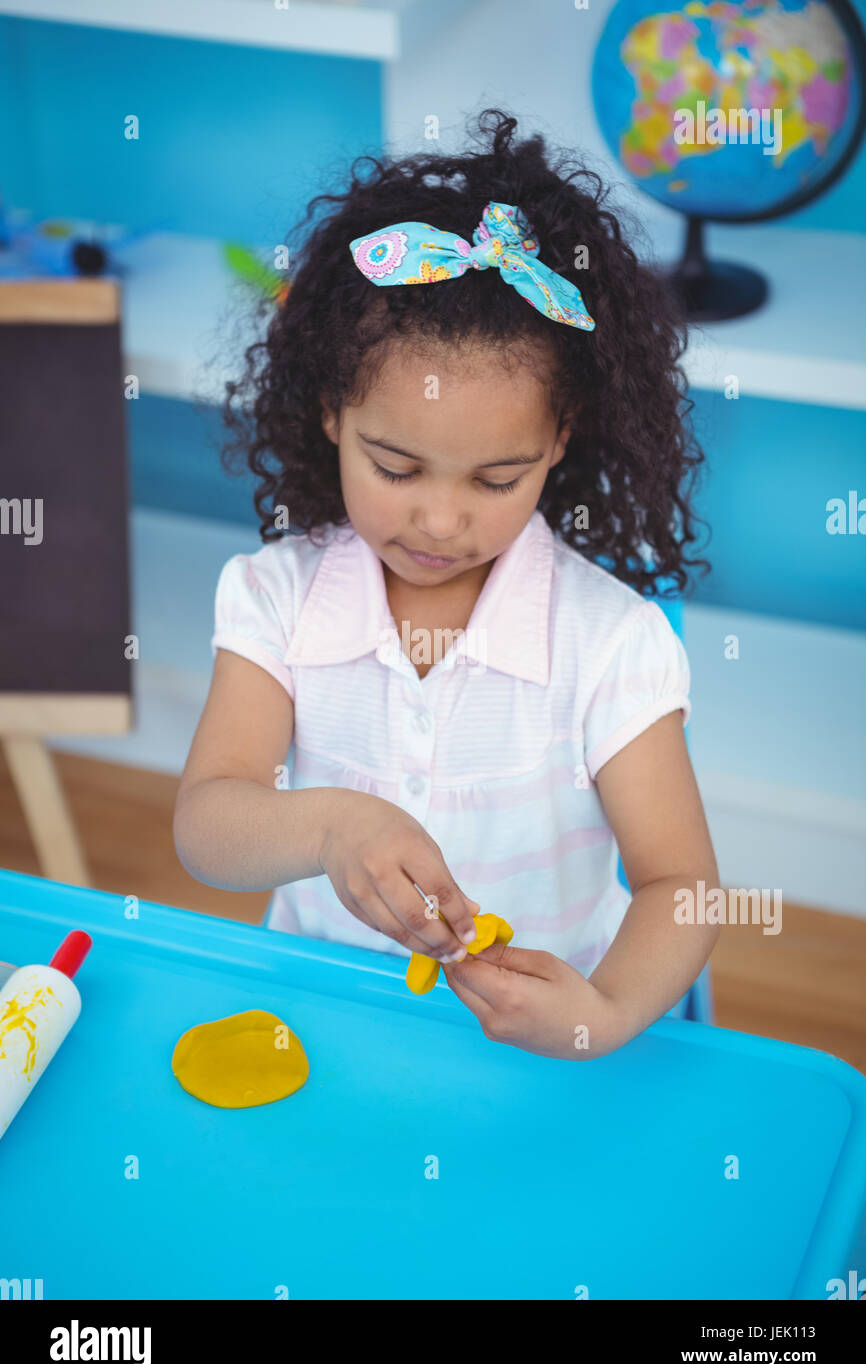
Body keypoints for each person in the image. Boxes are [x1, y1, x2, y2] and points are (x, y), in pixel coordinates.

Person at [174, 109, 721, 1061]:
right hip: (320, 1026)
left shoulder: (610, 643)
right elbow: (207, 826)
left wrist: (606, 1012)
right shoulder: (275, 598)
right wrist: (332, 824)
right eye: (397, 467)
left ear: (559, 442)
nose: (438, 521)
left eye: (495, 481)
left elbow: (684, 888)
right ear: (332, 412)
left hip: (536, 1049)